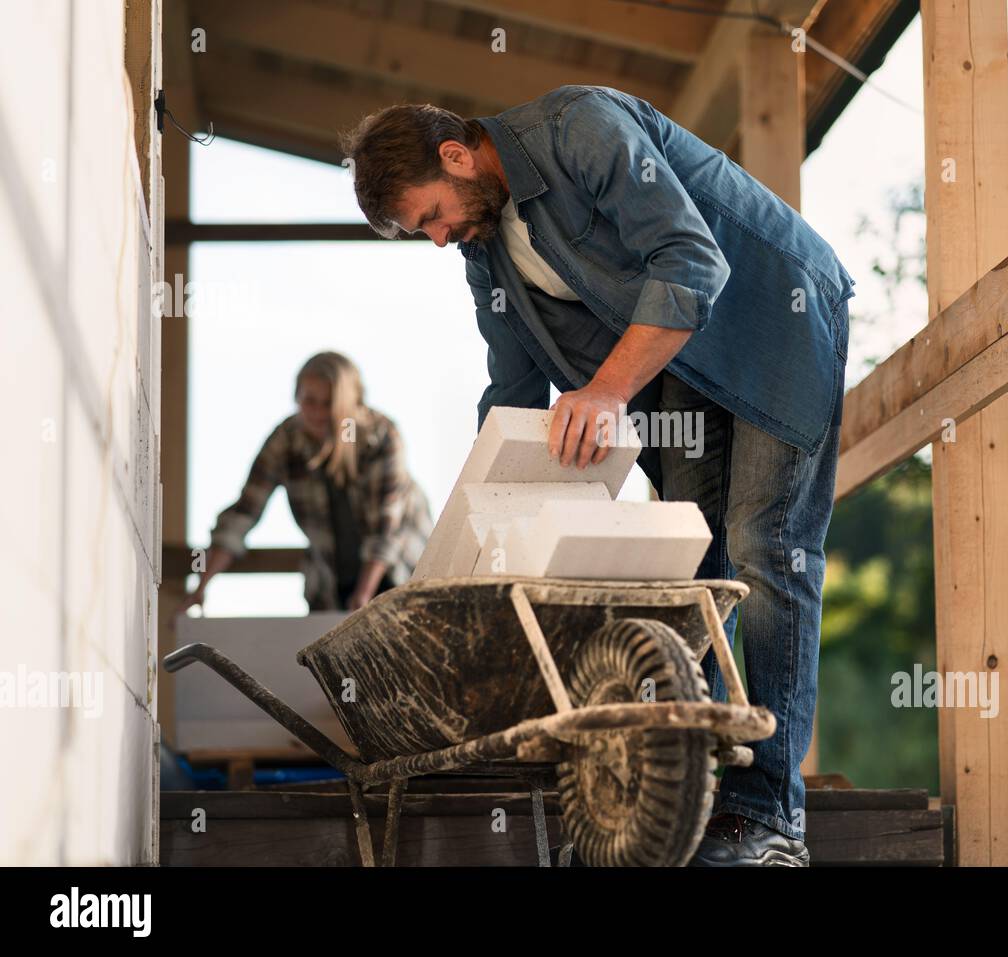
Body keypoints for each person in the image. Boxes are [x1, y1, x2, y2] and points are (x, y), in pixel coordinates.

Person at [341, 85, 854, 866]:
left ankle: (769, 817)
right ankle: (695, 800)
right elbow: (510, 396)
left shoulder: (580, 127)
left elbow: (693, 260)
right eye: (425, 233)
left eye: (432, 216)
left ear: (454, 155)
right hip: (683, 367)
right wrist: (467, 555)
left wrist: (608, 390)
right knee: (690, 566)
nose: (440, 239)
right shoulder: (485, 254)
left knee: (762, 545)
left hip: (772, 323)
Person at [179, 351, 434, 615]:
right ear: (296, 397)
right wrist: (201, 587)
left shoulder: (382, 438)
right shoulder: (285, 442)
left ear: (351, 403)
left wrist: (363, 601)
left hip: (403, 578)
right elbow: (244, 512)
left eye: (329, 403)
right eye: (309, 401)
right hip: (333, 584)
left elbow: (385, 534)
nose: (318, 412)